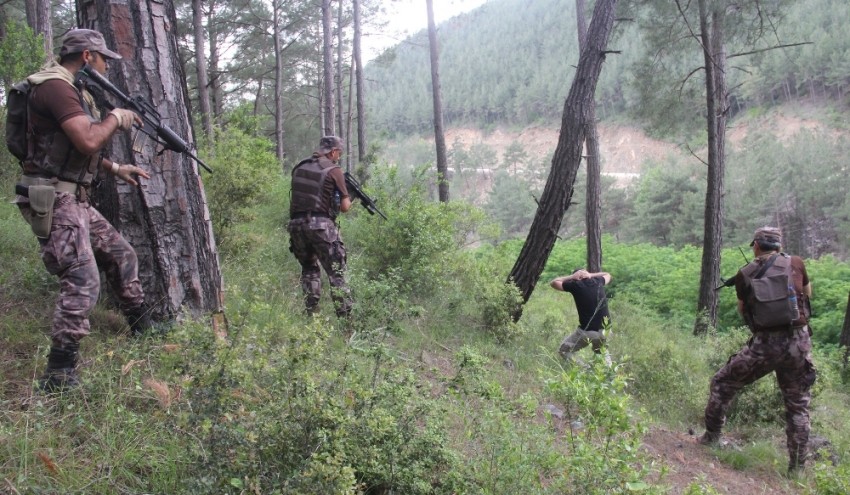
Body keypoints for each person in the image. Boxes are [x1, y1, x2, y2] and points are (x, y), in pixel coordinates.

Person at [13, 29, 152, 392]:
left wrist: (115, 168)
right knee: (81, 280)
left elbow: (71, 149)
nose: (107, 65)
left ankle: (143, 328)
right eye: (104, 58)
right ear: (88, 56)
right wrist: (117, 118)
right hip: (54, 200)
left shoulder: (71, 88)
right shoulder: (56, 87)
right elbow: (88, 138)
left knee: (121, 254)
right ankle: (59, 372)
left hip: (73, 198)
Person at [699, 226, 817, 475]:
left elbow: (743, 310)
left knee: (722, 383)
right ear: (779, 245)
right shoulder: (795, 262)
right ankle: (796, 469)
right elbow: (807, 294)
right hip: (799, 343)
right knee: (797, 406)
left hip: (765, 344)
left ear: (756, 245)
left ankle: (712, 437)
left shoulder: (745, 274)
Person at [287, 135, 354, 319]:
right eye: (338, 153)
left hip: (296, 227)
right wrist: (350, 195)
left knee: (309, 269)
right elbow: (345, 207)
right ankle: (346, 322)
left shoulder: (299, 167)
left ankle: (312, 317)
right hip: (321, 227)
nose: (338, 156)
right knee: (337, 273)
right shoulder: (334, 170)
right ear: (333, 151)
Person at [550, 268, 612, 360]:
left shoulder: (575, 285)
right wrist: (591, 274)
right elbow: (608, 274)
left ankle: (585, 369)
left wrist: (571, 277)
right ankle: (609, 372)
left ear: (576, 278)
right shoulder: (598, 281)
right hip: (606, 330)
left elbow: (553, 283)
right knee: (601, 353)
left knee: (564, 351)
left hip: (588, 331)